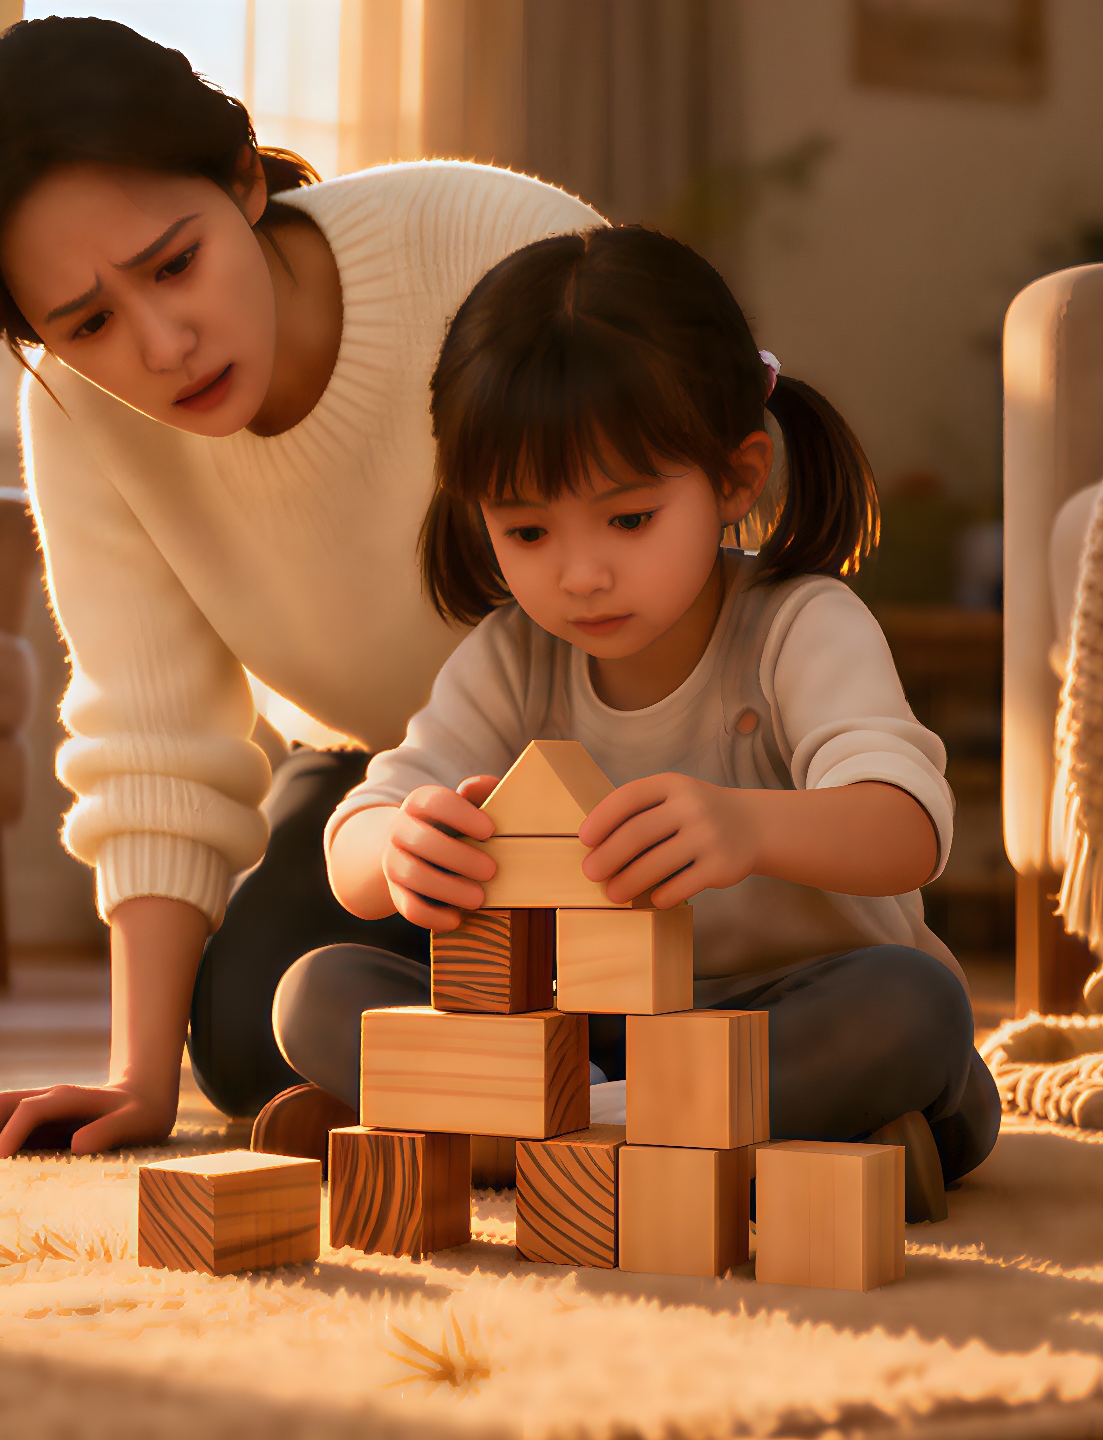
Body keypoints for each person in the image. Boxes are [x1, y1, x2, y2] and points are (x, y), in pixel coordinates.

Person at [0, 18, 601, 1159]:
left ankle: (545, 1083)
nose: (163, 343)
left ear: (242, 179)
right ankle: (526, 1083)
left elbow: (683, 543)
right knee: (245, 1040)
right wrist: (137, 1083)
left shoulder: (494, 247)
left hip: (637, 766)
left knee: (647, 970)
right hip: (384, 796)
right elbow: (152, 728)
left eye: (173, 263)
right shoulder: (79, 417)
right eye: (85, 323)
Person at [300, 227, 999, 1212]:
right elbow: (355, 844)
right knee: (316, 991)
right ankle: (668, 1136)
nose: (579, 574)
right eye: (528, 530)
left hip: (790, 1008)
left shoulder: (800, 625)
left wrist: (747, 826)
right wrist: (401, 848)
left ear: (735, 480)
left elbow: (909, 830)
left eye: (628, 520)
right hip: (589, 1037)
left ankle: (544, 1138)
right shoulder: (511, 658)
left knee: (918, 1010)